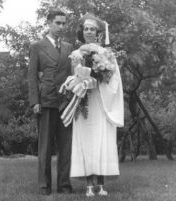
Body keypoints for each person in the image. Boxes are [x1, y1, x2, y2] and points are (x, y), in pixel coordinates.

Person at [69, 14, 124, 197]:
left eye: (93, 29)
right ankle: (88, 185)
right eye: (86, 29)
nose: (89, 32)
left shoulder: (106, 53)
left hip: (100, 100)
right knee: (86, 140)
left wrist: (102, 75)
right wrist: (82, 80)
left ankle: (100, 184)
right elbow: (73, 76)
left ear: (98, 32)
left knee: (101, 139)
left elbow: (113, 78)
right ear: (82, 32)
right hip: (85, 99)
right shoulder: (76, 53)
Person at [27, 9, 74, 195]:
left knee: (65, 147)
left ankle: (64, 186)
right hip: (45, 101)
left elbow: (72, 75)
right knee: (45, 148)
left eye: (64, 23)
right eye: (58, 23)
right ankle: (44, 187)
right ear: (49, 23)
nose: (61, 27)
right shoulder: (37, 46)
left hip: (66, 103)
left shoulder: (69, 48)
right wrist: (34, 101)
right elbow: (31, 76)